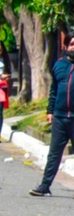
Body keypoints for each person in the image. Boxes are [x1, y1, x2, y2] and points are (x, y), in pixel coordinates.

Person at [29, 32, 74, 197]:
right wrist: (50, 110)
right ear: (66, 46)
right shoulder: (59, 65)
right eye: (72, 44)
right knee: (54, 154)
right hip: (60, 117)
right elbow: (54, 91)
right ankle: (45, 186)